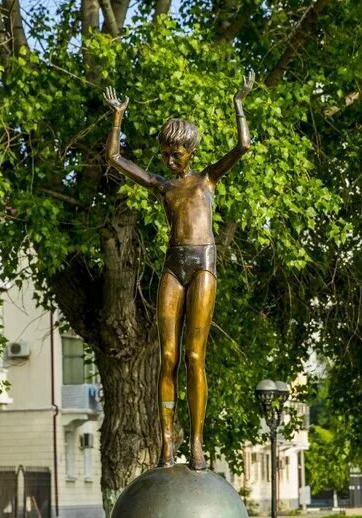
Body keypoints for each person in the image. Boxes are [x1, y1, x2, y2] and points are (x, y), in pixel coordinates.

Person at [103, 71, 254, 470]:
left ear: (190, 151)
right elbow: (114, 158)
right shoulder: (162, 185)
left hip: (203, 262)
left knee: (193, 355)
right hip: (174, 264)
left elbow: (244, 145)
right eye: (166, 154)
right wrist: (118, 116)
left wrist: (239, 104)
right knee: (167, 355)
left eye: (176, 154)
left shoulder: (206, 181)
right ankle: (167, 443)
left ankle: (198, 442)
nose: (170, 160)